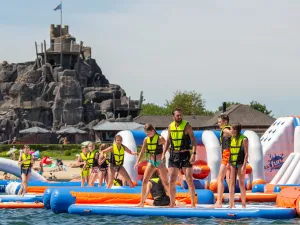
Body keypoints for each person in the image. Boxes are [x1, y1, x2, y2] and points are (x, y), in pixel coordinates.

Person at [162, 108, 197, 208]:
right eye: (177, 115)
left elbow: (194, 140)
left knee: (189, 179)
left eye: (180, 115)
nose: (180, 117)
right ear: (173, 117)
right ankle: (172, 203)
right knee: (172, 180)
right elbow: (168, 140)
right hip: (174, 155)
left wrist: (193, 154)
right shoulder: (170, 126)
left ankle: (193, 204)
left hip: (185, 154)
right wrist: (164, 153)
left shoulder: (187, 126)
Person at [135, 124, 169, 207]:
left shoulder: (160, 138)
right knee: (144, 181)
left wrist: (164, 154)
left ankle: (172, 201)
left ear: (153, 130)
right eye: (146, 133)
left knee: (165, 183)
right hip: (151, 162)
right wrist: (137, 162)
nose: (147, 135)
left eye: (148, 133)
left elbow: (167, 146)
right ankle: (141, 202)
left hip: (159, 162)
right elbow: (142, 151)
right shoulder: (146, 139)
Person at [212, 114, 232, 208]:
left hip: (227, 157)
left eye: (220, 122)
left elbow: (234, 135)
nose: (219, 124)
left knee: (220, 179)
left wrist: (228, 161)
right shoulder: (227, 129)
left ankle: (219, 202)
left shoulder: (225, 130)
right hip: (229, 156)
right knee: (228, 180)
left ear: (225, 122)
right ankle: (231, 203)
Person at [228, 123, 248, 208]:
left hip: (240, 163)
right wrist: (228, 164)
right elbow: (230, 152)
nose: (230, 131)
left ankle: (243, 204)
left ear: (235, 130)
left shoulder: (244, 139)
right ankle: (231, 204)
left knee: (241, 183)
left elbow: (246, 153)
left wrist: (244, 165)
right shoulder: (231, 138)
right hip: (232, 162)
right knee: (232, 183)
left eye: (231, 129)